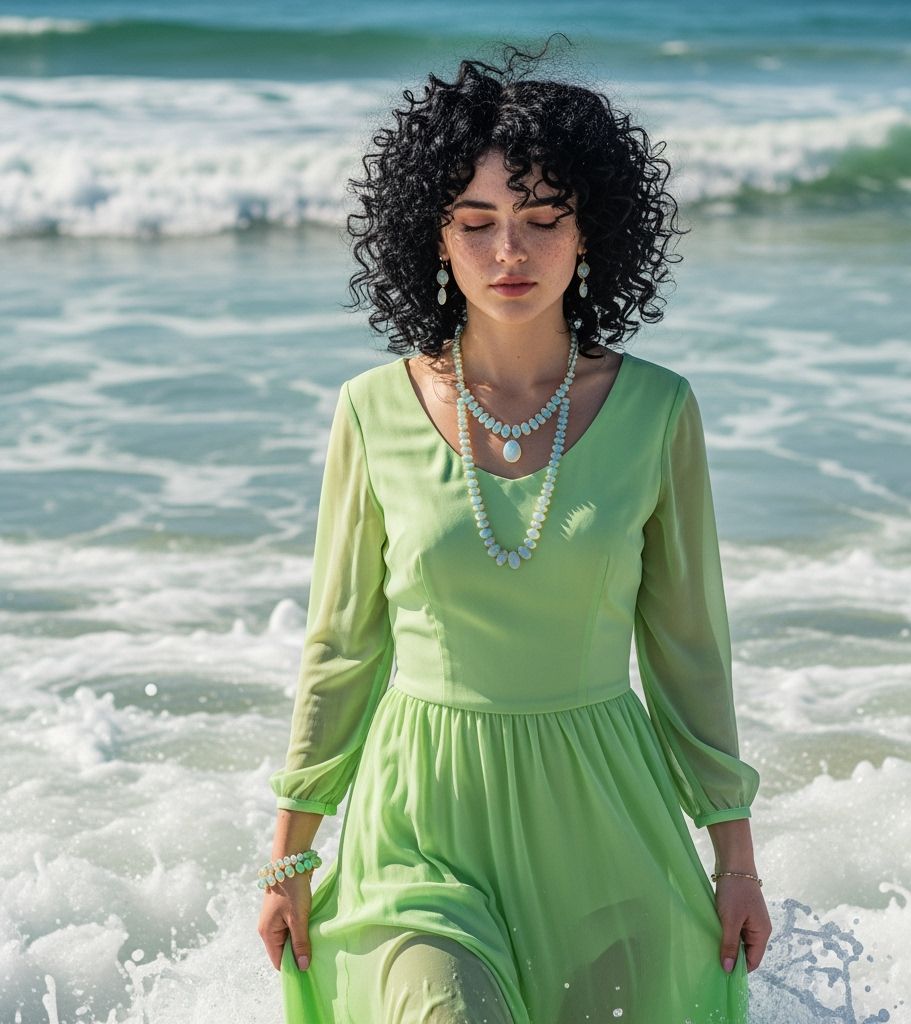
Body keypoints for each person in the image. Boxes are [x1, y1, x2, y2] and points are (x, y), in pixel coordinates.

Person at [257, 35, 771, 1024]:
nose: (509, 253)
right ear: (433, 236)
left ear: (590, 233)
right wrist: (288, 854)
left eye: (541, 219)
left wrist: (736, 860)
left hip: (603, 819)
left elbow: (689, 650)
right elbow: (341, 646)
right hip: (420, 823)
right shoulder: (372, 408)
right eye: (476, 221)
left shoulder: (657, 411)